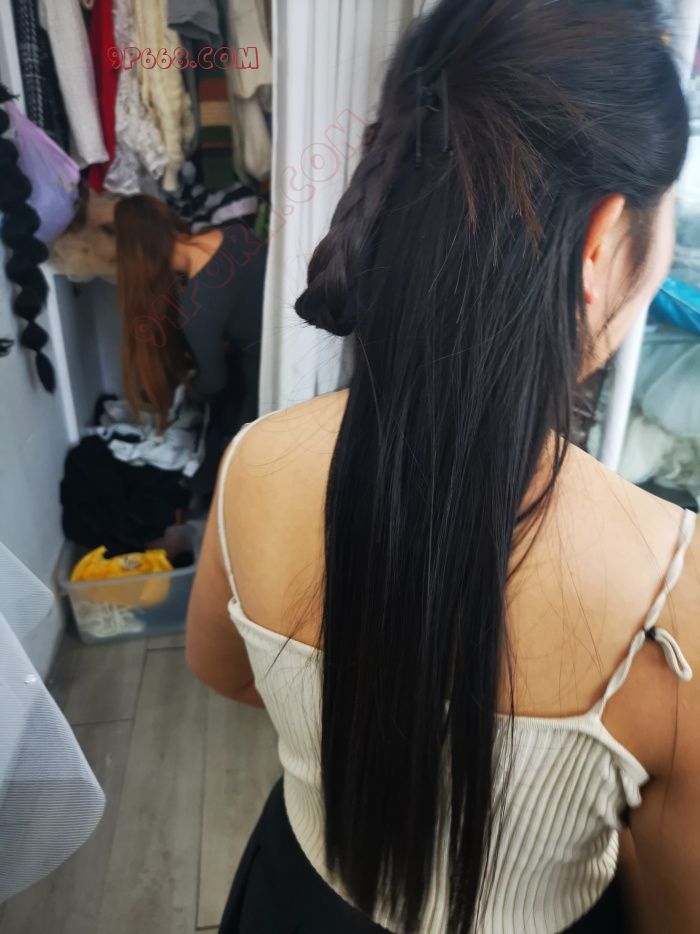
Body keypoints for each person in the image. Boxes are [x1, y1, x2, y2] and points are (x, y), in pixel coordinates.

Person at [186, 1, 699, 931]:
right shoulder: (676, 592)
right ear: (601, 241)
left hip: (293, 901)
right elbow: (674, 909)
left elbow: (221, 669)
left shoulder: (255, 462)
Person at [113, 195, 267, 487]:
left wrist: (191, 387)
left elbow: (215, 382)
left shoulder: (198, 307)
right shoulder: (234, 233)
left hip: (264, 362)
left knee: (232, 457)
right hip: (289, 325)